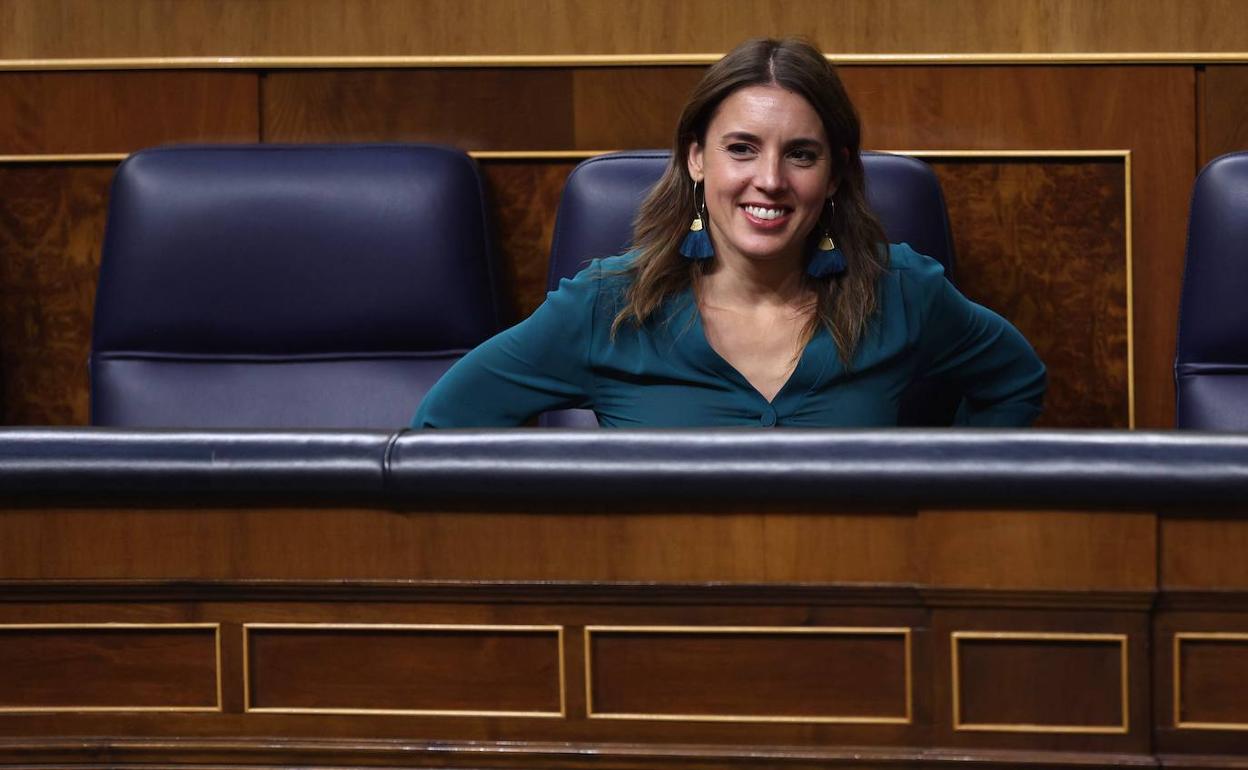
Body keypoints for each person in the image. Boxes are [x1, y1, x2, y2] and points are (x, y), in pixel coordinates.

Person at [413, 37, 1045, 428]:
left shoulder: (901, 289)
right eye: (741, 148)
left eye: (800, 154)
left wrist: (952, 511)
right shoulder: (605, 306)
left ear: (835, 175)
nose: (768, 179)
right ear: (696, 159)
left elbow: (1015, 381)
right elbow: (439, 432)